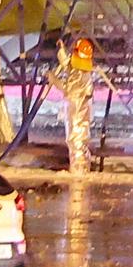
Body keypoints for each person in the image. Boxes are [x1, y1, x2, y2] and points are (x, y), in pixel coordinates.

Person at [49, 36, 99, 174]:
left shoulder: (81, 75)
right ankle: (79, 166)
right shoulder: (80, 68)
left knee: (76, 138)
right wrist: (61, 51)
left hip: (77, 109)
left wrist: (53, 79)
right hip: (77, 105)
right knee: (76, 137)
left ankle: (79, 168)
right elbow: (68, 64)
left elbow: (67, 88)